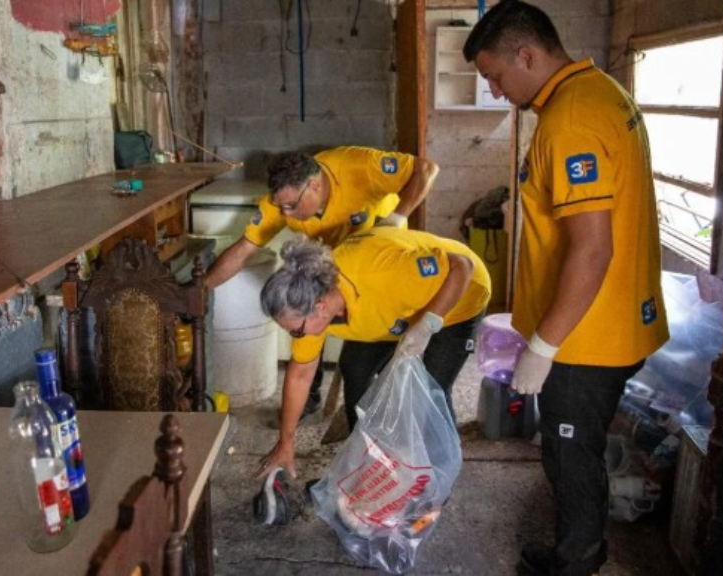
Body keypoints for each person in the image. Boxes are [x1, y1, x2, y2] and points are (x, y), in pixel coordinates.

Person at [462, 2, 669, 575]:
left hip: (585, 337)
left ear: (527, 55)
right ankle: (582, 548)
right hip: (612, 318)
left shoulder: (570, 121)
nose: (496, 91)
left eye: (496, 77)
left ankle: (576, 561)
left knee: (569, 454)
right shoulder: (600, 90)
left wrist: (544, 347)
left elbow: (592, 250)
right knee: (575, 448)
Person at [205, 146, 440, 418]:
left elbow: (426, 169)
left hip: (374, 274)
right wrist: (201, 289)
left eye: (292, 206)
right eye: (282, 207)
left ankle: (381, 415)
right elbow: (245, 249)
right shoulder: (280, 203)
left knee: (359, 366)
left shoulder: (358, 166)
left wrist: (397, 217)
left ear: (314, 185)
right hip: (325, 270)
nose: (286, 214)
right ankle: (307, 399)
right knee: (304, 326)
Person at [253, 227, 491, 481]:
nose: (296, 336)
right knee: (355, 367)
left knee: (430, 389)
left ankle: (437, 479)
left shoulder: (382, 274)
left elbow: (462, 266)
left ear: (320, 308)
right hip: (396, 309)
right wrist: (286, 442)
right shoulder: (312, 303)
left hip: (461, 294)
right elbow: (300, 375)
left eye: (295, 331)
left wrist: (426, 325)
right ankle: (367, 457)